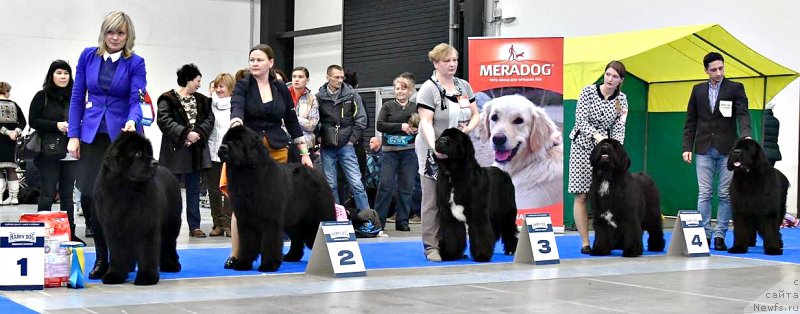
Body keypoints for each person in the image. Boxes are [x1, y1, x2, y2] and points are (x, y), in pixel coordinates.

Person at [67, 11, 145, 279]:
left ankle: (124, 257)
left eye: (120, 33)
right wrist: (74, 134)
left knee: (125, 201)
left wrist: (133, 121)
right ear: (103, 33)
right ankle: (101, 258)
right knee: (92, 198)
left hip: (122, 140)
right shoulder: (88, 56)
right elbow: (77, 96)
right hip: (91, 137)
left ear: (128, 36)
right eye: (110, 32)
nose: (114, 37)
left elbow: (137, 98)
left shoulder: (136, 63)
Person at [223, 44, 313, 268]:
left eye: (259, 60)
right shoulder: (243, 86)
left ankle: (272, 253)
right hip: (246, 152)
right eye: (251, 59)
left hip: (275, 149)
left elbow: (291, 121)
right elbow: (237, 108)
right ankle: (239, 254)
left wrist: (304, 153)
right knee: (242, 206)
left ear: (270, 63)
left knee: (274, 208)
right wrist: (236, 125)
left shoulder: (281, 87)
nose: (254, 63)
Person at [415, 43, 479, 261]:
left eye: (455, 60)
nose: (452, 64)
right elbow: (425, 122)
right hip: (433, 151)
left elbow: (475, 114)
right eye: (447, 61)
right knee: (433, 200)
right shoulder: (428, 89)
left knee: (459, 199)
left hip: (457, 155)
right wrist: (434, 148)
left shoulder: (463, 86)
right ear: (436, 63)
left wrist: (469, 128)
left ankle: (453, 245)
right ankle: (431, 246)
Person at [682, 52, 751, 251]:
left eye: (721, 68)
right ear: (706, 71)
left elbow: (743, 114)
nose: (718, 72)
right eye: (713, 70)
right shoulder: (697, 90)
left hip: (729, 149)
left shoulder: (736, 88)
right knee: (704, 193)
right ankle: (704, 234)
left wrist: (745, 135)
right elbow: (690, 121)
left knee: (724, 194)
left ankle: (720, 235)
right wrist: (687, 147)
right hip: (703, 148)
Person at [567, 60, 628, 255]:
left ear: (621, 80)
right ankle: (585, 242)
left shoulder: (622, 100)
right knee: (582, 194)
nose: (610, 79)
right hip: (582, 146)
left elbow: (619, 127)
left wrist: (616, 149)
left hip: (605, 153)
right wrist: (598, 136)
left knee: (607, 197)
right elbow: (580, 121)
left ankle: (609, 238)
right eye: (608, 74)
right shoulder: (588, 92)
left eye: (615, 76)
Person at [157, 63, 215, 238]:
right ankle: (167, 224)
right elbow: (164, 120)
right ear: (188, 80)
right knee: (170, 192)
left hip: (195, 152)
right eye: (197, 80)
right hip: (173, 152)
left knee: (194, 191)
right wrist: (185, 134)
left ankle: (195, 226)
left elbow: (209, 120)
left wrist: (197, 133)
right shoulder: (167, 99)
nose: (199, 84)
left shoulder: (204, 100)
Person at [29, 60, 83, 243]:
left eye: (66, 73)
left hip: (71, 152)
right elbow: (33, 121)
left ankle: (69, 233)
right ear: (51, 75)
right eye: (59, 73)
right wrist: (56, 125)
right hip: (48, 152)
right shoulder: (42, 96)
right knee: (48, 193)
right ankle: (41, 233)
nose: (63, 76)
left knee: (68, 195)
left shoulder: (76, 97)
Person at [316, 65, 370, 211]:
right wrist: (318, 138)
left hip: (347, 145)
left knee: (356, 182)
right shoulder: (319, 97)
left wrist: (352, 140)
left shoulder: (352, 95)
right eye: (336, 77)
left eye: (342, 77)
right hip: (327, 146)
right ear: (327, 77)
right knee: (331, 184)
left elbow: (361, 120)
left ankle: (368, 218)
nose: (340, 80)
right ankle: (337, 220)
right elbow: (315, 120)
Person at [375, 75, 418, 231]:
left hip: (409, 153)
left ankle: (402, 221)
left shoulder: (416, 107)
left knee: (406, 187)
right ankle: (379, 221)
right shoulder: (387, 106)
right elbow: (380, 125)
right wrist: (401, 126)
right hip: (389, 153)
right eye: (397, 88)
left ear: (410, 91)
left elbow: (423, 124)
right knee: (385, 186)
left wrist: (416, 129)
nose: (400, 91)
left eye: (403, 88)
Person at [205, 73, 235, 237]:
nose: (218, 89)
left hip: (229, 154)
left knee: (228, 190)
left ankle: (229, 223)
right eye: (216, 86)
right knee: (213, 190)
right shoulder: (209, 104)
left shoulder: (236, 106)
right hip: (211, 152)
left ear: (230, 88)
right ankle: (217, 223)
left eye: (222, 86)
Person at [0, 82, 26, 205]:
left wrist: (6, 132)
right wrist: (15, 131)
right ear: (6, 92)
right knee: (11, 168)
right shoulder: (14, 105)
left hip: (1, 139)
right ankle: (14, 197)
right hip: (11, 142)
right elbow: (23, 122)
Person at [288, 66, 320, 163]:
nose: (297, 79)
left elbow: (312, 125)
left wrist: (291, 118)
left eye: (301, 77)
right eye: (294, 76)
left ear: (307, 80)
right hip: (283, 142)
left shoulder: (312, 98)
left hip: (305, 143)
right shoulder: (282, 94)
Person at [763, 101, 781, 167]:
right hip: (773, 153)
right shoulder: (776, 121)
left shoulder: (760, 119)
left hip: (762, 152)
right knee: (770, 173)